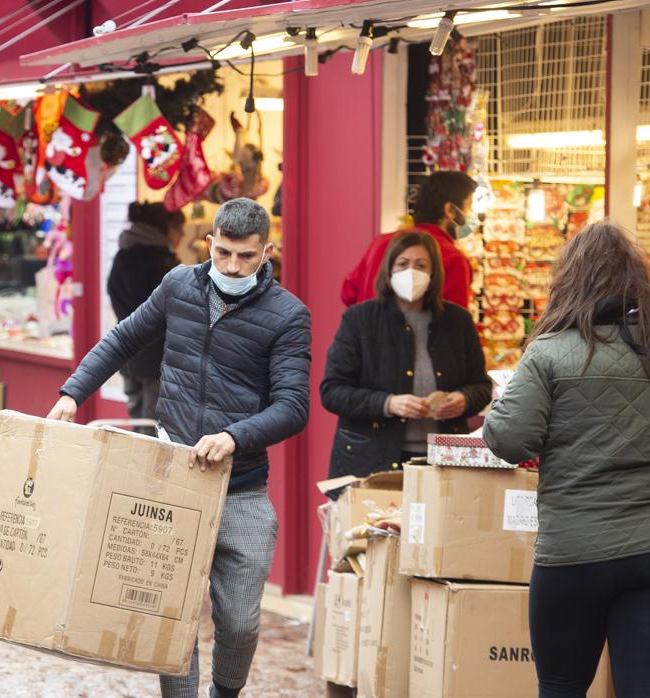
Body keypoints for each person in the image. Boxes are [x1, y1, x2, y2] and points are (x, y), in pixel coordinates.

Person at [47, 197, 311, 698]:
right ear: (208, 243)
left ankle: (225, 693)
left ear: (266, 251)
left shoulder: (288, 316)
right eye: (225, 253)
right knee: (169, 618)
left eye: (247, 257)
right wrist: (71, 393)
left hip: (242, 487)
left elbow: (293, 406)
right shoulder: (178, 286)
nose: (233, 266)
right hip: (172, 480)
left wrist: (235, 436)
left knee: (241, 622)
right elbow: (124, 339)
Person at [484, 223, 650, 697]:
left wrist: (500, 402)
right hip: (646, 549)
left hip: (572, 553)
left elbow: (511, 440)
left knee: (561, 686)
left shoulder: (551, 353)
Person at [321, 232, 491, 480]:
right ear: (389, 270)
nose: (411, 272)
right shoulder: (359, 320)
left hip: (442, 462)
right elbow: (332, 391)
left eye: (421, 265)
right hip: (371, 461)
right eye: (402, 264)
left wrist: (464, 399)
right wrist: (388, 403)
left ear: (433, 273)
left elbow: (482, 386)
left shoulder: (458, 321)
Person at [341, 171, 478, 309]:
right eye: (469, 206)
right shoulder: (453, 259)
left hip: (366, 329)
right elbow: (455, 323)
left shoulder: (381, 242)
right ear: (450, 210)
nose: (472, 214)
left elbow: (348, 293)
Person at [107, 201, 183, 428]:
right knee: (153, 429)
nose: (181, 236)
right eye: (180, 230)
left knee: (138, 423)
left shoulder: (122, 258)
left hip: (128, 356)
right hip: (157, 360)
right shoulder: (162, 266)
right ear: (166, 229)